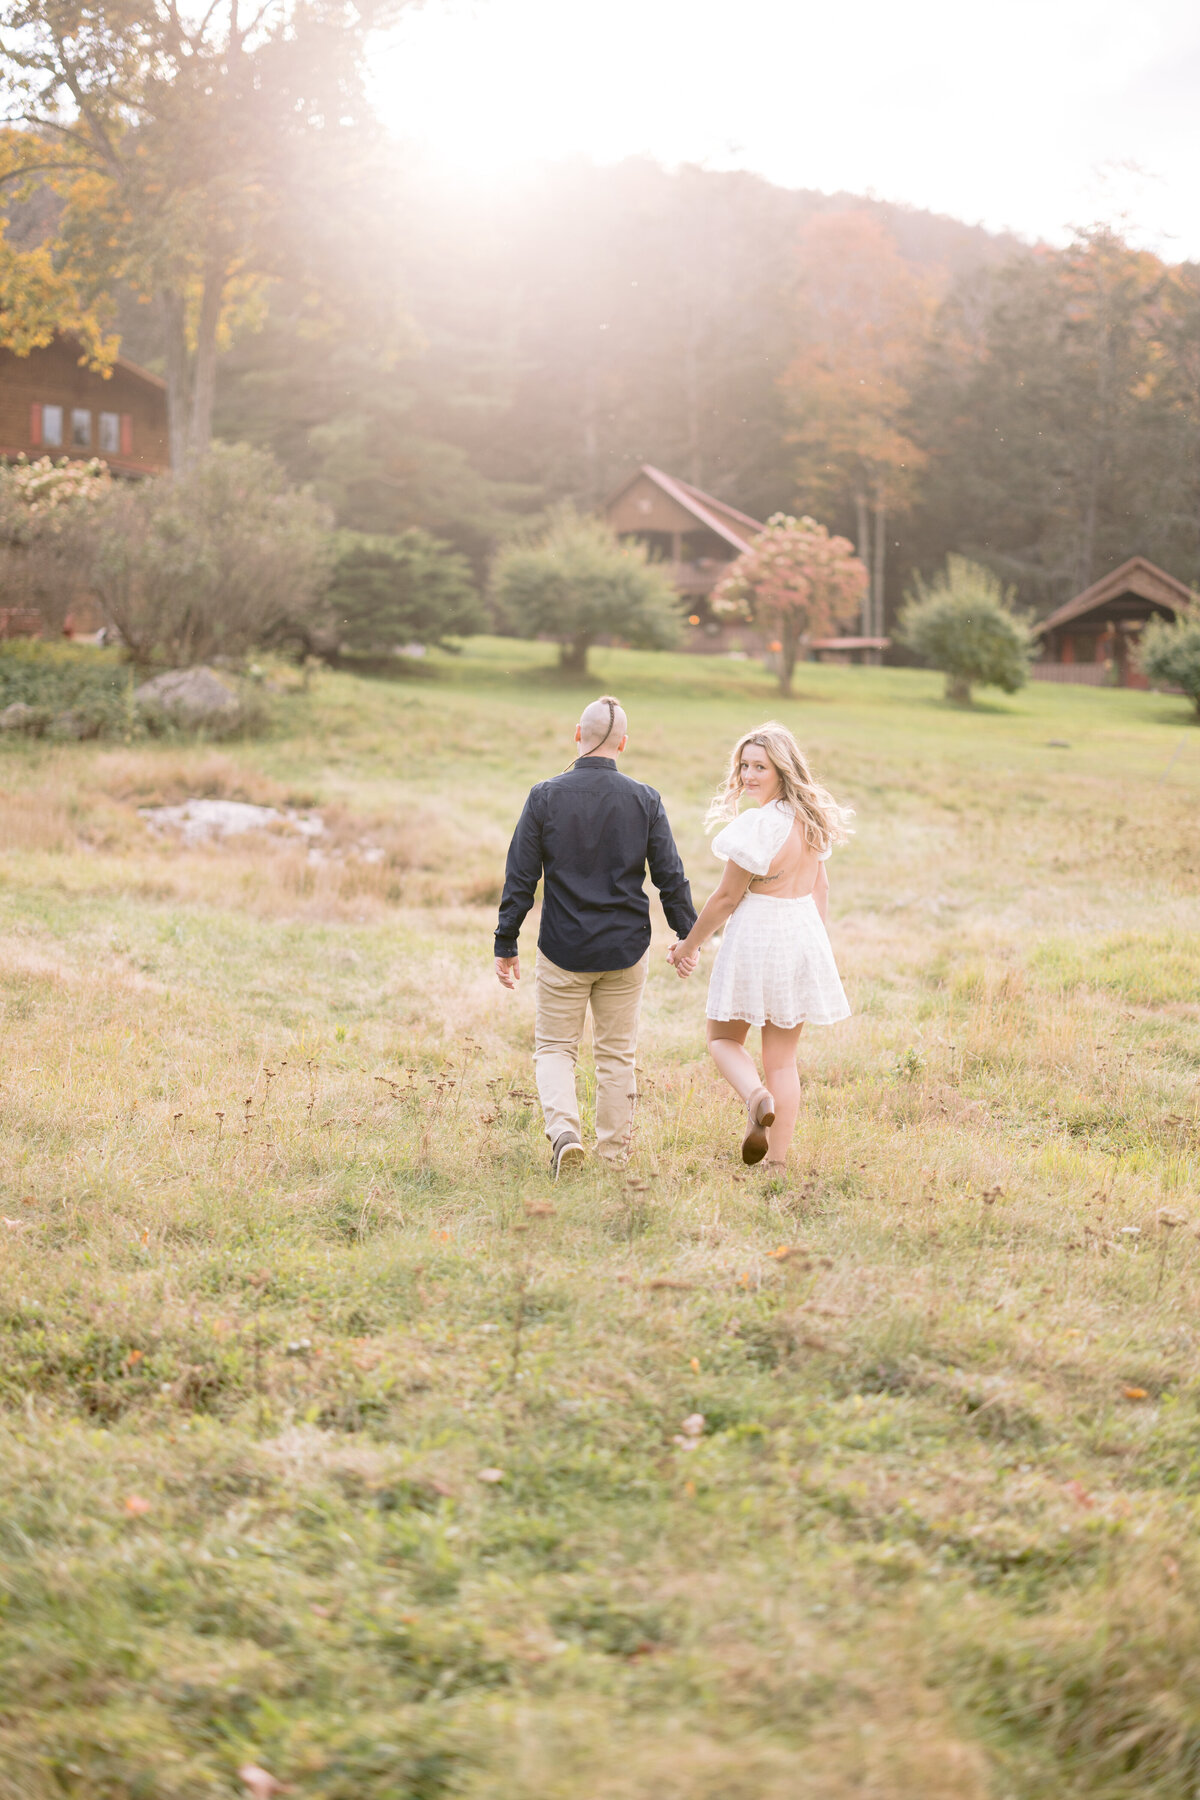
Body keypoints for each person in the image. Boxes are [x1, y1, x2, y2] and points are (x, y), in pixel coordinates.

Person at [494, 695, 697, 1177]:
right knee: (615, 1054)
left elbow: (521, 876)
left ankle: (564, 1133)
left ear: (576, 735)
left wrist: (506, 941)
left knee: (555, 1048)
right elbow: (670, 874)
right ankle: (613, 1156)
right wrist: (687, 935)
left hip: (563, 948)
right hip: (626, 950)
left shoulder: (544, 795)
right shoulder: (645, 798)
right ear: (623, 744)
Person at [668, 723, 851, 1170]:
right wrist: (813, 945)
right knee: (783, 1061)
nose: (749, 775)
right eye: (744, 766)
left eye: (759, 767)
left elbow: (727, 899)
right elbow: (820, 888)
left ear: (782, 770)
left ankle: (755, 1097)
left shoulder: (757, 825)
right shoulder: (810, 821)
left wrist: (688, 946)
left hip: (757, 937)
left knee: (722, 1039)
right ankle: (777, 1165)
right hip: (801, 934)